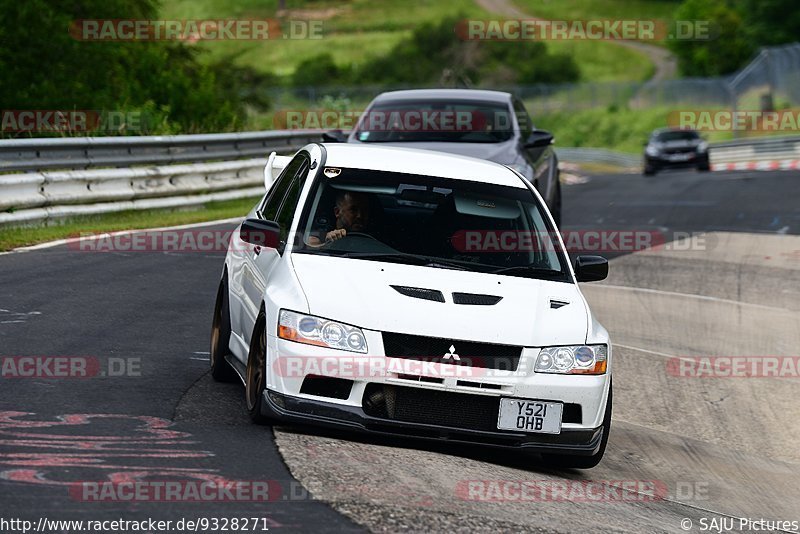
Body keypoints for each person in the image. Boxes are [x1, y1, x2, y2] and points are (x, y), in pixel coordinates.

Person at [306, 191, 372, 247]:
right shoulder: (321, 231)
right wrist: (325, 244)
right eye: (353, 210)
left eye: (364, 210)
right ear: (337, 212)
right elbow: (308, 244)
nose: (359, 216)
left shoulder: (375, 235)